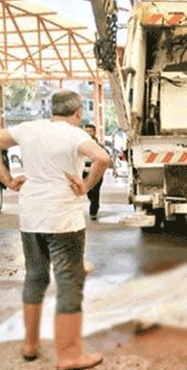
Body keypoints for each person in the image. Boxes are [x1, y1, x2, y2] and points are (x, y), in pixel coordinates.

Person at [0, 90, 110, 370]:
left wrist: (7, 180)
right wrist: (86, 186)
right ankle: (70, 356)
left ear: (52, 110)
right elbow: (102, 158)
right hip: (63, 219)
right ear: (77, 113)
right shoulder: (74, 134)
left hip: (31, 216)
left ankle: (30, 345)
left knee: (35, 277)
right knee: (69, 282)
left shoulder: (28, 129)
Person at [82, 124, 108, 220]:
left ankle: (93, 209)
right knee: (88, 190)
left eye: (90, 131)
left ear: (94, 132)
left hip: (96, 170)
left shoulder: (98, 145)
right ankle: (94, 204)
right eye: (86, 131)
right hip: (83, 171)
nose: (88, 133)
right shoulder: (79, 144)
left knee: (95, 190)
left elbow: (105, 156)